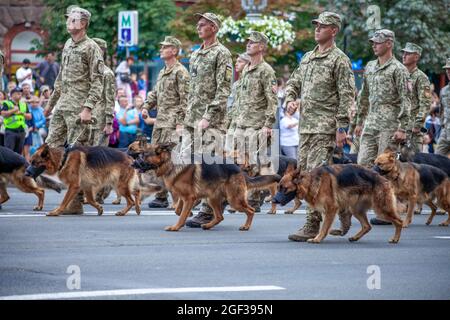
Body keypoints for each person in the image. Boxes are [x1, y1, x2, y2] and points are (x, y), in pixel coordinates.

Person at [284, 11, 356, 241]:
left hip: (326, 128)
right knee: (306, 173)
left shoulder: (339, 59)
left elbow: (347, 96)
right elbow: (293, 82)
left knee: (313, 178)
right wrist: (290, 99)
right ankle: (343, 210)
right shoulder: (307, 57)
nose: (317, 29)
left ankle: (312, 225)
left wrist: (342, 129)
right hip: (305, 128)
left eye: (322, 26)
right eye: (316, 25)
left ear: (333, 31)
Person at [44, 6, 104, 214]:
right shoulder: (68, 44)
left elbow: (98, 81)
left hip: (79, 109)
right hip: (62, 106)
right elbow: (60, 77)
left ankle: (75, 202)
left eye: (73, 18)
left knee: (77, 155)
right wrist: (51, 104)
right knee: (49, 146)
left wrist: (88, 108)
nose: (69, 21)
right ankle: (58, 184)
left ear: (83, 23)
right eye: (68, 18)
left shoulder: (91, 47)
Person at [182, 12, 233, 228]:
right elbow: (192, 89)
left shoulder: (222, 54)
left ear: (213, 27)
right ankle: (192, 202)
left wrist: (207, 116)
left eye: (202, 25)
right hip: (192, 118)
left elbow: (223, 89)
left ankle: (207, 210)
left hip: (211, 120)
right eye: (198, 24)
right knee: (185, 160)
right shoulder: (196, 54)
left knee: (209, 165)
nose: (198, 27)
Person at [142, 36, 190, 209]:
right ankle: (161, 196)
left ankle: (177, 199)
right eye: (161, 47)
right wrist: (146, 106)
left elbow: (186, 100)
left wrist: (180, 123)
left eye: (165, 47)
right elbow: (155, 93)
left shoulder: (180, 72)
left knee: (172, 161)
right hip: (161, 122)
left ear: (174, 51)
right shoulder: (163, 71)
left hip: (172, 124)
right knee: (157, 160)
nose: (161, 49)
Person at [233, 31, 278, 212]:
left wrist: (268, 124)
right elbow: (240, 99)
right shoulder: (246, 70)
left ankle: (253, 199)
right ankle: (245, 197)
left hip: (256, 124)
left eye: (253, 42)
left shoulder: (266, 71)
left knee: (253, 163)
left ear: (261, 47)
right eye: (248, 42)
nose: (248, 44)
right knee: (240, 162)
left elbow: (272, 100)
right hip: (241, 123)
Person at [354, 29, 411, 168]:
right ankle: (368, 190)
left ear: (389, 44)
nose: (374, 46)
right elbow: (363, 96)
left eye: (378, 43)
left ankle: (388, 191)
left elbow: (406, 99)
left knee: (385, 167)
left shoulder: (398, 69)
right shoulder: (370, 66)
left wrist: (402, 128)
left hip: (389, 126)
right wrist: (359, 121)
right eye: (373, 43)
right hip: (370, 124)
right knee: (362, 164)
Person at [401, 42, 432, 153]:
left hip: (412, 129)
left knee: (412, 164)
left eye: (408, 53)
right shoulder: (400, 74)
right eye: (403, 53)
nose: (404, 55)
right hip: (398, 126)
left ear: (416, 57)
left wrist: (418, 124)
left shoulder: (421, 77)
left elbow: (426, 103)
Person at [90, 38, 115, 147]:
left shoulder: (107, 73)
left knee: (98, 158)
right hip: (86, 122)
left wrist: (109, 123)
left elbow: (110, 99)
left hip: (100, 121)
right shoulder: (87, 71)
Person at [1, 87, 32, 154]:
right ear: (12, 95)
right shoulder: (7, 103)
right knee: (9, 153)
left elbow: (29, 116)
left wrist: (22, 113)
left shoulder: (23, 104)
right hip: (10, 131)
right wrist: (13, 110)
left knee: (18, 153)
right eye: (17, 93)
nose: (20, 94)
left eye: (20, 93)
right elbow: (3, 114)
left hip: (21, 131)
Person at [436, 58, 450, 156]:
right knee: (437, 158)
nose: (448, 72)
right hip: (446, 131)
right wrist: (443, 125)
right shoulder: (444, 90)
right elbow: (441, 110)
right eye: (447, 69)